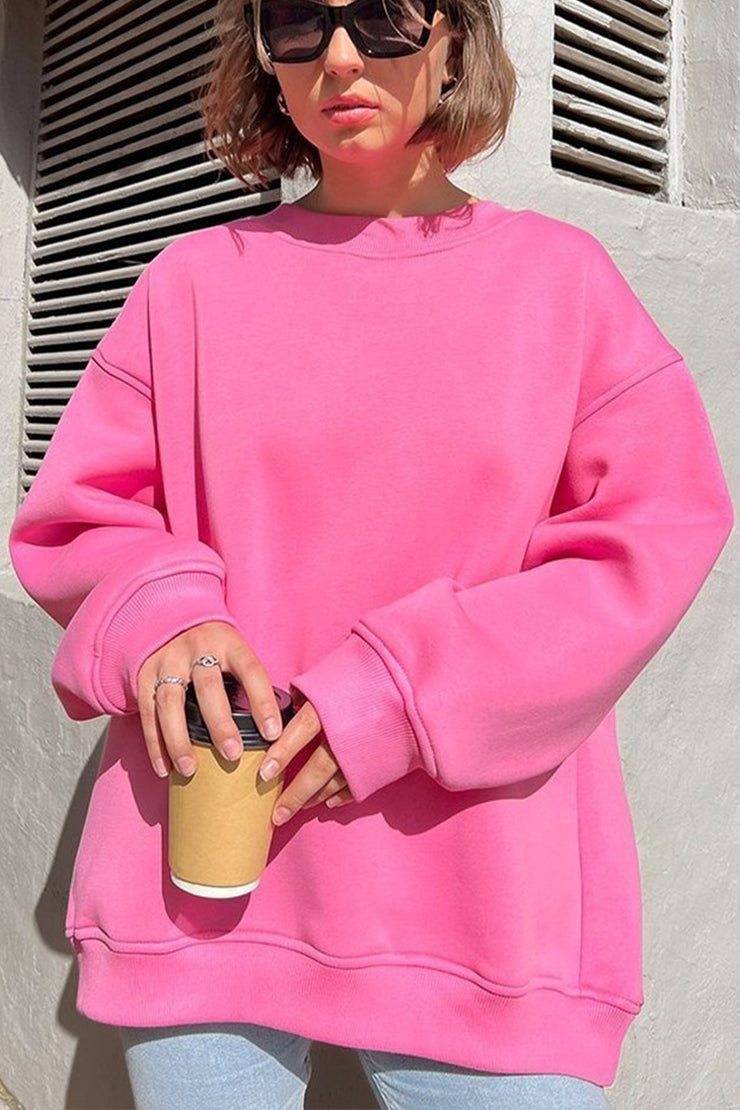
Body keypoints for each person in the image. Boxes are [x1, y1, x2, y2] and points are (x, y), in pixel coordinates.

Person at [8, 0, 734, 1107]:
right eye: (299, 21)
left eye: (384, 16)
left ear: (452, 39)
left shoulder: (561, 283)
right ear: (264, 54)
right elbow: (79, 517)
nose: (341, 56)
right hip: (211, 865)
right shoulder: (193, 282)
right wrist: (162, 616)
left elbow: (648, 536)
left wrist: (398, 695)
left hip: (485, 904)